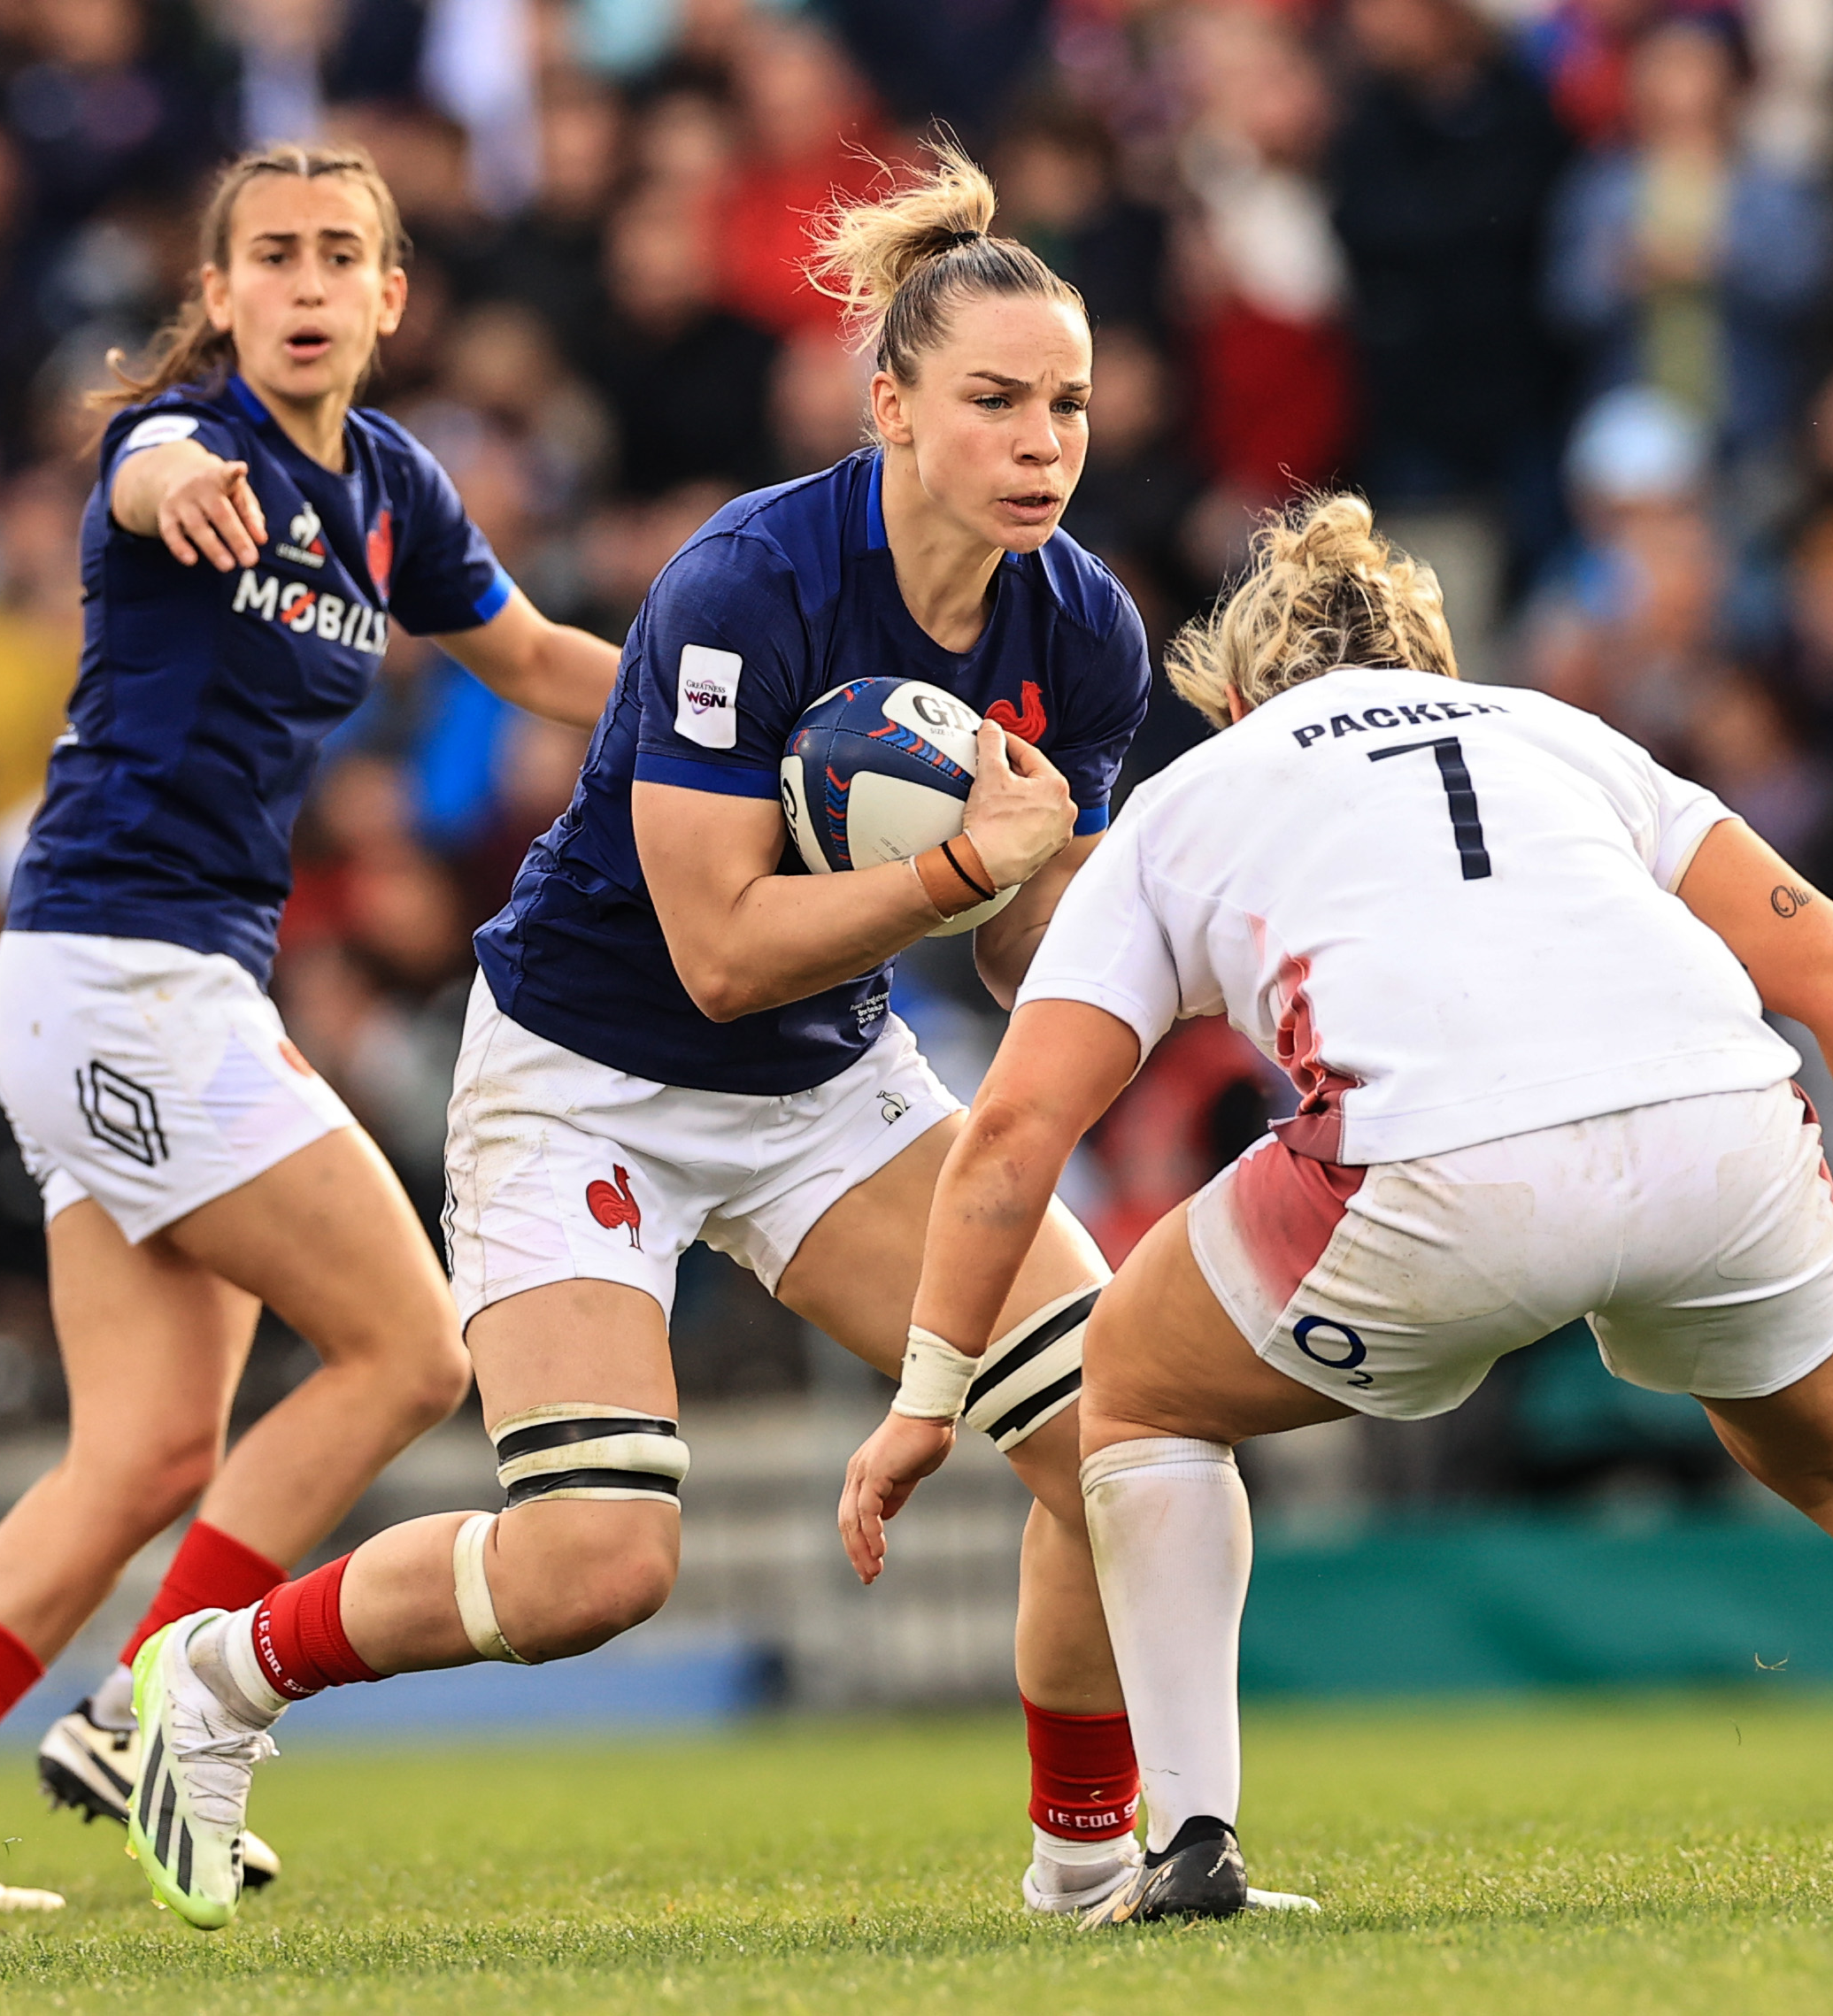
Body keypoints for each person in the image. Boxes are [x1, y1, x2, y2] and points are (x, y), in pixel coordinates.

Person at [837, 495, 1833, 1923]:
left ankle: (1193, 1840)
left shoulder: (1199, 791)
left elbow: (1013, 1130)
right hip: (1717, 1130)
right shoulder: (1557, 730)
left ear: (1243, 693)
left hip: (1431, 1173)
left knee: (1131, 1385)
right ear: (1435, 663)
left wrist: (933, 1388)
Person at [111, 147, 1188, 1935]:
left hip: (826, 1084)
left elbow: (1013, 946)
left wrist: (1100, 912)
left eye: (1065, 404)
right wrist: (951, 860)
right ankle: (219, 1670)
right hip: (586, 1071)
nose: (1039, 441)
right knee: (595, 1563)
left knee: (1117, 1438)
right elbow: (708, 954)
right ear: (891, 407)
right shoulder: (746, 578)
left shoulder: (1078, 628)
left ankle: (1085, 1863)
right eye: (992, 400)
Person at [0, 142, 620, 1915]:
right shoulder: (184, 444)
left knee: (152, 1446)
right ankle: (150, 1692)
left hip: (166, 981)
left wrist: (736, 722)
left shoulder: (393, 486)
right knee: (410, 1347)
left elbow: (536, 656)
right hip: (116, 968)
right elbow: (146, 467)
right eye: (274, 256)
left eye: (343, 254)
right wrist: (167, 472)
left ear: (391, 296)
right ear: (222, 292)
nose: (309, 282)